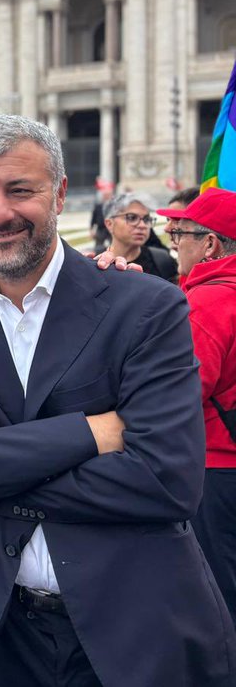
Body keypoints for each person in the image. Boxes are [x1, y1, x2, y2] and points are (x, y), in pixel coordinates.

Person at [0, 115, 235, 686]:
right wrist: (89, 434)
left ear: (59, 194)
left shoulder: (147, 306)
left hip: (132, 624)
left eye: (19, 190)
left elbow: (168, 480)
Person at [158, 188, 236, 621]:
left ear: (209, 244)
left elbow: (180, 394)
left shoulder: (207, 301)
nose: (174, 243)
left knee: (216, 595)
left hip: (216, 466)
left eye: (180, 234)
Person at [103, 192, 178, 282]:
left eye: (146, 219)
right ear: (109, 224)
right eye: (132, 218)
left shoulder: (163, 260)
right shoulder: (97, 262)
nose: (142, 225)